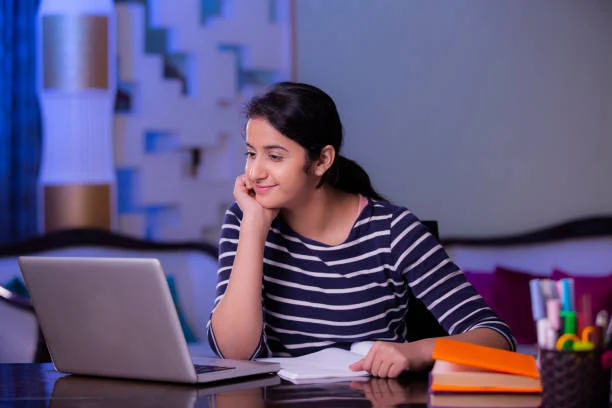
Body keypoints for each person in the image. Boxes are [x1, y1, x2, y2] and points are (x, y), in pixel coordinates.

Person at [207, 82, 515, 378]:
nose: (255, 172)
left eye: (274, 156)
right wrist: (253, 228)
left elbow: (497, 338)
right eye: (251, 153)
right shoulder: (246, 218)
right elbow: (234, 353)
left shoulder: (393, 231)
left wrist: (417, 353)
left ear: (321, 160)